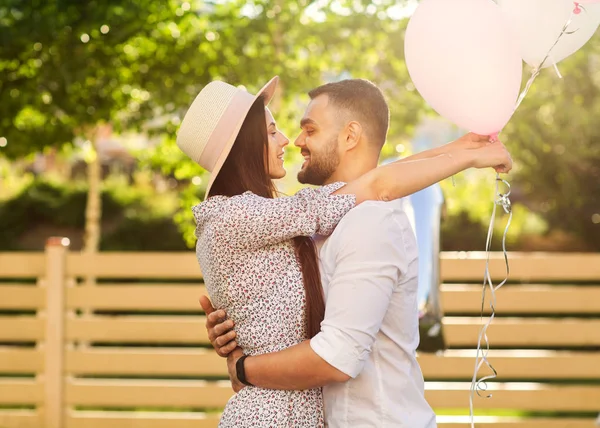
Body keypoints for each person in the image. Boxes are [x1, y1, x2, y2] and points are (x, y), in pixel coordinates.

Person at [178, 76, 512, 427]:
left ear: (350, 136)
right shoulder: (245, 217)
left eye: (309, 129)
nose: (291, 141)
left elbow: (378, 182)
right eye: (273, 131)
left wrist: (463, 150)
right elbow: (377, 184)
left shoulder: (361, 220)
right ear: (245, 145)